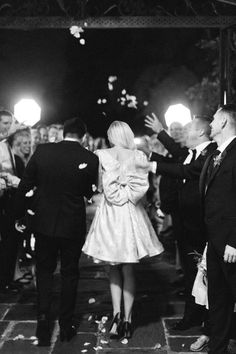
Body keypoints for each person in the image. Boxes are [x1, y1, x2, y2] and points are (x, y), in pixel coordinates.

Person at [14, 117, 99, 346]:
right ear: (82, 136)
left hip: (44, 222)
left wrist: (18, 214)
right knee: (70, 273)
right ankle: (66, 325)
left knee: (44, 270)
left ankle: (43, 320)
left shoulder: (42, 152)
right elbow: (88, 192)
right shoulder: (90, 158)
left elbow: (25, 184)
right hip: (72, 224)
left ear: (63, 132)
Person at [82, 121, 164, 340]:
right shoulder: (139, 157)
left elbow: (98, 186)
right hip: (132, 214)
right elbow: (144, 191)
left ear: (110, 136)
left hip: (110, 215)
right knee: (129, 267)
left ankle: (116, 316)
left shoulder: (101, 154)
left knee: (113, 267)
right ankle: (127, 319)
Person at [145, 113, 217, 330]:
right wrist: (154, 144)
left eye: (188, 130)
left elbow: (184, 169)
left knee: (200, 272)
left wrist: (151, 166)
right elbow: (177, 155)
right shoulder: (192, 152)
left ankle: (203, 317)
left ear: (201, 133)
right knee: (189, 271)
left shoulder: (210, 154)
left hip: (198, 224)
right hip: (184, 221)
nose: (184, 133)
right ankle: (193, 314)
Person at [199, 104, 236, 354]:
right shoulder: (215, 154)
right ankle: (218, 348)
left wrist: (234, 240)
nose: (210, 124)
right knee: (218, 298)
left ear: (224, 122)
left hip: (231, 241)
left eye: (213, 119)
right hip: (213, 239)